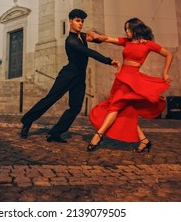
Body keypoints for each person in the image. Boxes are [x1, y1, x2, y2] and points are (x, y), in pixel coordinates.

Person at [20, 9, 120, 143]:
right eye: (78, 21)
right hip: (67, 75)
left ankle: (55, 133)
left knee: (75, 107)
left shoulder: (82, 36)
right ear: (70, 21)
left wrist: (99, 36)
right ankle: (27, 122)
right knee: (50, 99)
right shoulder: (71, 41)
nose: (80, 24)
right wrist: (109, 61)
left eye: (82, 21)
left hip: (79, 77)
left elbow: (98, 39)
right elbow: (89, 52)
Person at [87, 18, 173, 153]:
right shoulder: (126, 42)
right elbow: (109, 39)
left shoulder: (148, 44)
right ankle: (144, 141)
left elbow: (168, 54)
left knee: (114, 107)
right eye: (125, 29)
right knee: (126, 110)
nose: (126, 31)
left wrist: (165, 73)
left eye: (128, 29)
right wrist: (97, 37)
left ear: (136, 29)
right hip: (121, 79)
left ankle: (98, 135)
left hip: (132, 81)